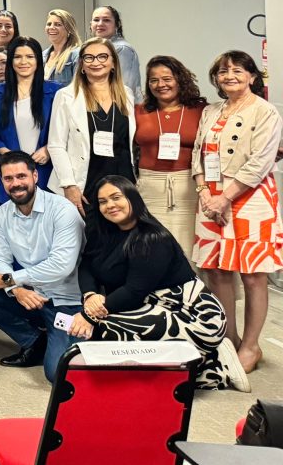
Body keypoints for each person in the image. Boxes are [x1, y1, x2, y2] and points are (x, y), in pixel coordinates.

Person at [70, 177, 247, 391]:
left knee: (107, 327)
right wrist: (90, 295)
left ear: (133, 198)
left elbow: (134, 291)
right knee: (106, 329)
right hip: (149, 306)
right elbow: (87, 265)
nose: (110, 205)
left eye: (116, 197)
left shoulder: (152, 238)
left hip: (193, 314)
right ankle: (196, 364)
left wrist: (90, 315)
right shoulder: (103, 232)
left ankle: (216, 364)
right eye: (103, 201)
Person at [194, 50, 281, 374]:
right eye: (222, 71)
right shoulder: (211, 111)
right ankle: (228, 340)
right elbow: (198, 154)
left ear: (252, 76)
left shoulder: (265, 111)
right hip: (210, 198)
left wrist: (225, 197)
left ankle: (251, 346)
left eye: (237, 70)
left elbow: (260, 162)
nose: (229, 76)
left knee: (254, 274)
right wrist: (204, 191)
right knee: (217, 271)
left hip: (250, 198)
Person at [0, 152, 84, 381]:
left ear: (35, 176)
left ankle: (63, 337)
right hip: (29, 295)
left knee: (59, 373)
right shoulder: (2, 213)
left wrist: (10, 280)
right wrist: (16, 289)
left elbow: (61, 265)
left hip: (65, 302)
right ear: (2, 181)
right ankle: (34, 341)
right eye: (8, 178)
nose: (16, 183)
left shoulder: (62, 210)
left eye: (21, 176)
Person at [48, 37, 137, 216]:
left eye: (102, 56)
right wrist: (69, 185)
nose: (96, 62)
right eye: (89, 57)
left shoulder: (126, 94)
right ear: (81, 64)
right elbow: (56, 145)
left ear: (113, 63)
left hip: (123, 183)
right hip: (84, 185)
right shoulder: (66, 96)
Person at [134, 56, 206, 258]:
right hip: (149, 188)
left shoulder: (201, 110)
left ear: (180, 79)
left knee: (190, 248)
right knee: (153, 248)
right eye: (153, 80)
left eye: (167, 79)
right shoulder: (138, 111)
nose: (160, 85)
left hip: (190, 186)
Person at [0, 38, 60, 209]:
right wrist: (9, 155)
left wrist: (48, 149)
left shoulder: (55, 91)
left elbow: (66, 130)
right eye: (17, 57)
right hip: (10, 171)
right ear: (11, 61)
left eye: (30, 57)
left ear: (38, 60)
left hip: (46, 170)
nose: (24, 62)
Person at [90, 5, 142, 102]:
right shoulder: (92, 49)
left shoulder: (122, 49)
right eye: (96, 20)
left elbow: (123, 87)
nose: (100, 24)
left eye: (106, 20)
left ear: (117, 25)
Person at [42, 10, 82, 86]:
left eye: (58, 24)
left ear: (69, 29)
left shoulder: (76, 55)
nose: (51, 27)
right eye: (49, 24)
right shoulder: (42, 55)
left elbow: (79, 87)